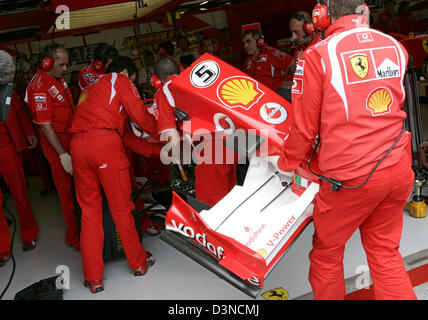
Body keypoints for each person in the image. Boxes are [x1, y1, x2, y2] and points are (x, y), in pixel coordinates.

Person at [275, 0, 416, 300]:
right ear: (365, 10)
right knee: (385, 253)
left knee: (326, 255)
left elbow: (303, 130)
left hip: (349, 180)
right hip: (396, 169)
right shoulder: (395, 46)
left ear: (323, 16)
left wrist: (285, 164)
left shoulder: (317, 55)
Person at [69, 56, 157, 293]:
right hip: (104, 147)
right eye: (134, 81)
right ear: (127, 72)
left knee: (89, 213)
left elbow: (125, 135)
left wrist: (157, 151)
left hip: (78, 147)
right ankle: (138, 263)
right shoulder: (120, 80)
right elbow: (141, 117)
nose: (134, 86)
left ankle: (93, 277)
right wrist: (166, 132)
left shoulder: (91, 90)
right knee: (121, 208)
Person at [152, 58, 237, 206]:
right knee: (229, 198)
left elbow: (172, 139)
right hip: (234, 138)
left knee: (209, 206)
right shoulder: (194, 81)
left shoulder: (163, 93)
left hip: (212, 148)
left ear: (156, 79)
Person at [24, 43, 80, 251]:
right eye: (62, 64)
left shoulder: (56, 79)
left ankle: (85, 230)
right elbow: (45, 125)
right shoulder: (40, 85)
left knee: (80, 190)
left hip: (71, 138)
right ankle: (75, 237)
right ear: (47, 62)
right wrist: (62, 154)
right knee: (67, 194)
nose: (65, 68)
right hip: (58, 145)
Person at [0, 50, 39, 260]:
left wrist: (29, 132)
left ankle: (29, 234)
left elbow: (20, 112)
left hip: (8, 148)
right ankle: (2, 248)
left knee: (20, 195)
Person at [241, 29, 293, 93]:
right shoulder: (247, 61)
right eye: (244, 43)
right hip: (259, 97)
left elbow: (292, 63)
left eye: (248, 41)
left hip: (275, 97)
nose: (245, 46)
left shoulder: (271, 53)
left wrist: (296, 83)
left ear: (259, 41)